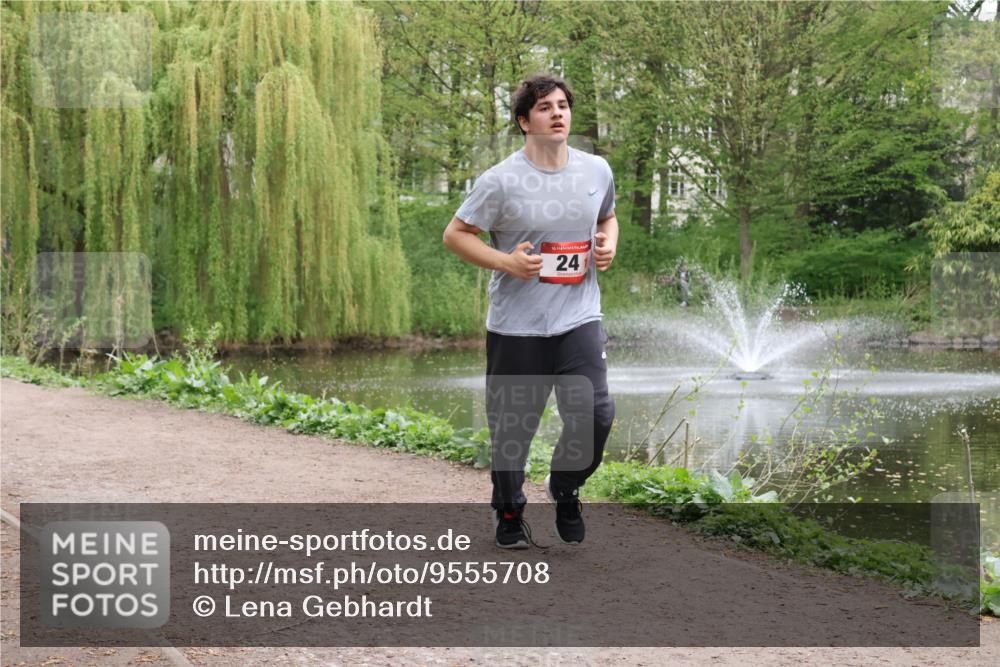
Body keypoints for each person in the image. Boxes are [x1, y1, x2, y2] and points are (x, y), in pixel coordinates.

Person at [442, 74, 618, 548]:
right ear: (524, 121)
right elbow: (456, 234)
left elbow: (606, 216)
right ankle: (509, 508)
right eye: (544, 108)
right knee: (512, 433)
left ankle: (565, 484)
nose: (558, 113)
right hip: (517, 326)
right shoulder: (499, 181)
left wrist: (608, 245)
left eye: (563, 105)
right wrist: (508, 263)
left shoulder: (596, 171)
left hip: (578, 316)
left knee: (597, 413)